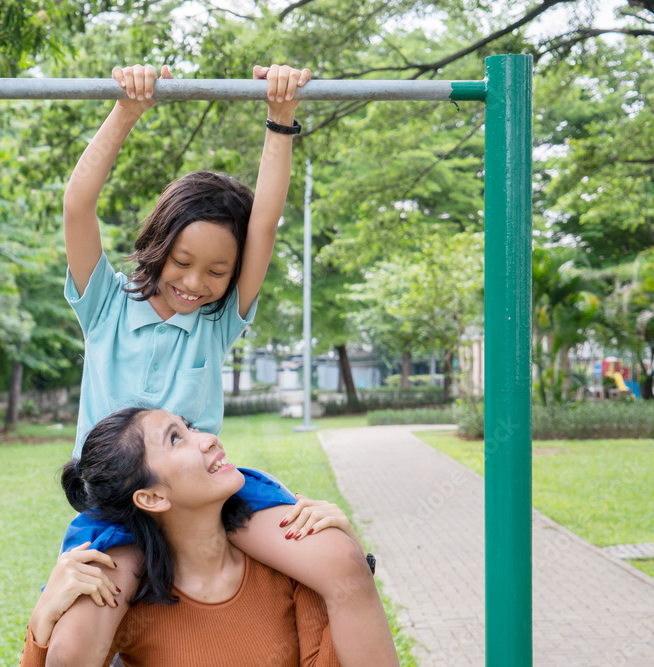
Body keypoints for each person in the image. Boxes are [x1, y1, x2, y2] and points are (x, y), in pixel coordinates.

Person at [50, 62, 397, 666]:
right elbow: (78, 205)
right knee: (77, 635)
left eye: (217, 272)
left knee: (341, 562)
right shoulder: (104, 306)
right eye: (182, 262)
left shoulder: (216, 322)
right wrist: (127, 109)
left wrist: (281, 120)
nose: (195, 283)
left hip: (206, 495)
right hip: (122, 504)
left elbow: (264, 223)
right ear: (158, 244)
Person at [22, 408, 398, 666]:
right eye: (176, 439)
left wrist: (356, 560)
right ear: (152, 498)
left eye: (190, 427)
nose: (208, 439)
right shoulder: (128, 604)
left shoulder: (288, 567)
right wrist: (41, 624)